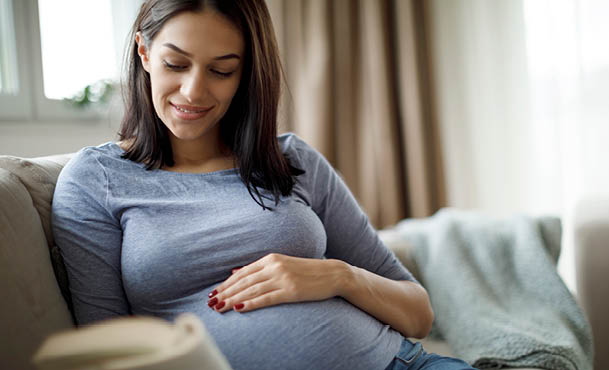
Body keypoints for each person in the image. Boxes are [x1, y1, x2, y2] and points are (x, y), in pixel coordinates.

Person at [51, 1, 476, 369]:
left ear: (245, 74)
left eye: (221, 70)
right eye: (176, 64)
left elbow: (418, 314)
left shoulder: (292, 160)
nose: (193, 90)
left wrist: (338, 276)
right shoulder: (96, 181)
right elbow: (106, 352)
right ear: (144, 52)